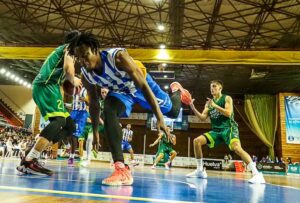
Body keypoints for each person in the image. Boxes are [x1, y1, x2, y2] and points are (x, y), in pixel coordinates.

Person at [67, 31, 191, 186]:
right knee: (108, 109)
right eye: (79, 58)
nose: (83, 61)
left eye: (85, 55)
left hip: (140, 86)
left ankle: (177, 91)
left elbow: (144, 87)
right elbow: (93, 103)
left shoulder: (117, 57)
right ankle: (121, 169)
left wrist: (159, 117)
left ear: (95, 49)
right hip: (121, 92)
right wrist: (96, 130)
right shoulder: (87, 75)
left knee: (172, 112)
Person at [16, 31, 82, 175]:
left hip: (51, 87)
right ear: (76, 42)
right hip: (46, 86)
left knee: (69, 126)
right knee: (58, 121)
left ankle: (33, 151)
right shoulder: (69, 48)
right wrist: (73, 79)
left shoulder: (62, 50)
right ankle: (29, 161)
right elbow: (67, 69)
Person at [186, 80, 265, 184]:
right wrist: (192, 107)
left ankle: (257, 174)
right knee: (197, 141)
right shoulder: (208, 104)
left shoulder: (226, 98)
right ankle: (200, 171)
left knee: (236, 148)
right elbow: (202, 118)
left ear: (220, 88)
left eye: (214, 86)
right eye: (210, 87)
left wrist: (215, 106)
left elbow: (228, 113)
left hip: (229, 128)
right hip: (216, 130)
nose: (212, 88)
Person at [69, 87, 89, 166]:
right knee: (66, 129)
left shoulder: (87, 89)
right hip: (73, 112)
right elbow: (73, 103)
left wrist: (85, 100)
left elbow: (90, 102)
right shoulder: (73, 89)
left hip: (82, 113)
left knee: (74, 135)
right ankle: (68, 146)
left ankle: (72, 157)